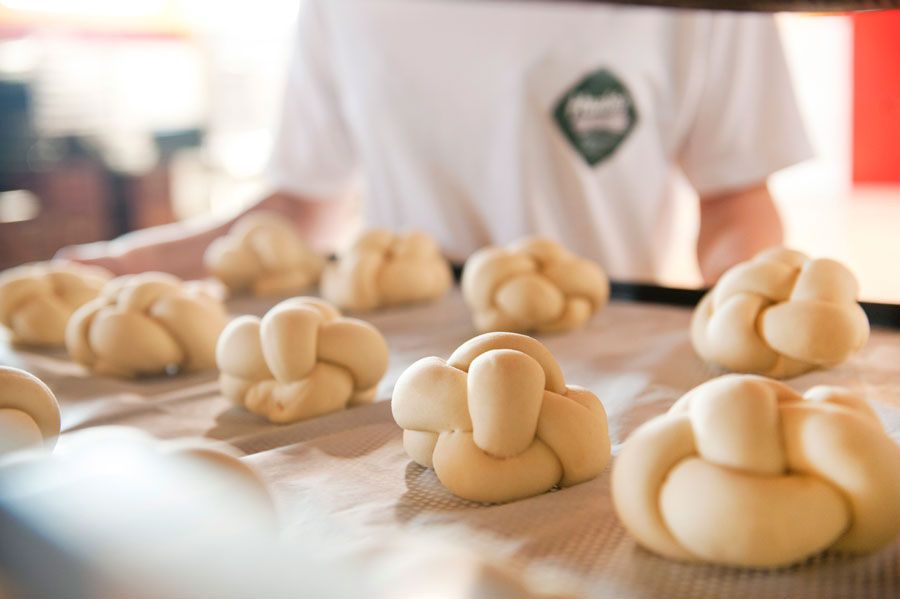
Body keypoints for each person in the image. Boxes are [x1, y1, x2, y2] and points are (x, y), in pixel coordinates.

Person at [58, 0, 811, 284]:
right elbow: (301, 208)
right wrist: (133, 264)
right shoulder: (343, 8)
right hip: (398, 381)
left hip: (612, 351)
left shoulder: (706, 8)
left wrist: (753, 299)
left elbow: (734, 194)